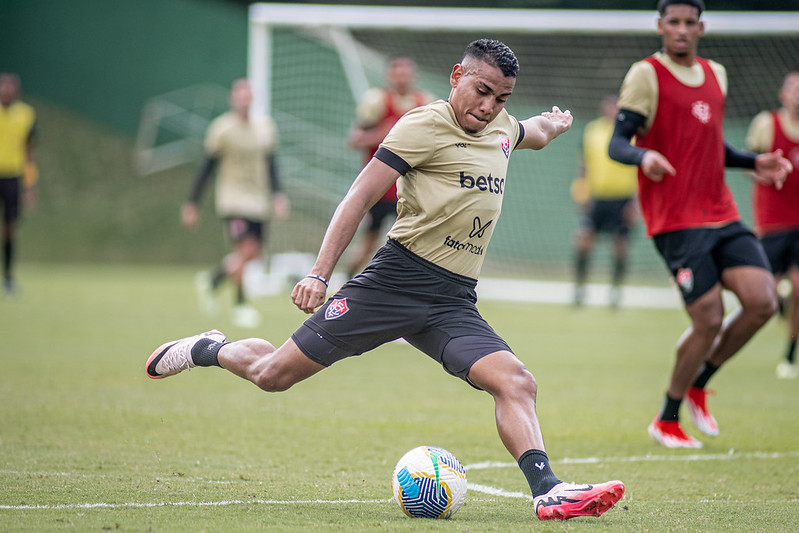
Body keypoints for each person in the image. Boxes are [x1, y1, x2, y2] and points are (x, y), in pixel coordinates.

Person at [147, 39, 625, 521]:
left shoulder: (501, 125)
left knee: (517, 382)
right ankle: (210, 348)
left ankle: (548, 491)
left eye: (500, 98)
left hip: (452, 300)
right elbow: (356, 198)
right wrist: (319, 272)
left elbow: (532, 130)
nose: (488, 106)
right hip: (394, 283)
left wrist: (555, 123)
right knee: (273, 375)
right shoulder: (421, 125)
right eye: (482, 91)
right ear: (457, 75)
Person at [608, 0, 793, 448]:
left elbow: (711, 146)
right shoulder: (646, 75)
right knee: (707, 318)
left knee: (763, 301)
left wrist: (756, 161)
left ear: (701, 27)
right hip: (675, 221)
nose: (682, 29)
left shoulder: (717, 74)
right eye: (673, 22)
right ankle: (667, 419)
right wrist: (643, 154)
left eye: (690, 22)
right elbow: (618, 142)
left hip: (723, 212)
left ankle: (699, 382)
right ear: (661, 26)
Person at [181, 78, 289, 329]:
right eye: (240, 95)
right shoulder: (222, 129)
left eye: (248, 95)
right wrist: (192, 203)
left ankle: (213, 280)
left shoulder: (265, 128)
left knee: (255, 253)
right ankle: (240, 305)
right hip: (233, 200)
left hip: (258, 201)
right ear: (233, 99)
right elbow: (207, 168)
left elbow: (272, 164)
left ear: (253, 99)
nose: (244, 100)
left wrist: (278, 195)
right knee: (245, 250)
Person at [345, 56, 432, 279]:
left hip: (412, 190)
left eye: (406, 73)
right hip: (381, 190)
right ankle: (345, 281)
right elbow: (355, 140)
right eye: (398, 72)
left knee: (416, 245)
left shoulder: (424, 104)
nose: (402, 78)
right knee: (369, 243)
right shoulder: (377, 102)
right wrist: (380, 135)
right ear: (390, 75)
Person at [745, 71, 799, 380]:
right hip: (772, 222)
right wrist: (766, 173)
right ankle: (780, 299)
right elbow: (748, 166)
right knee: (765, 292)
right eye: (793, 88)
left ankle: (790, 355)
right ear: (783, 94)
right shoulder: (767, 124)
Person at [571, 95, 638, 307]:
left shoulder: (630, 133)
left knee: (620, 245)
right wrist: (582, 192)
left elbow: (640, 169)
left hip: (623, 199)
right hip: (596, 198)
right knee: (583, 241)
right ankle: (579, 289)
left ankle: (616, 292)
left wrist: (635, 203)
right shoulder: (592, 130)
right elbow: (583, 164)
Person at [0, 73, 37, 296]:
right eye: (3, 87)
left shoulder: (26, 114)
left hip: (13, 177)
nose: (6, 91)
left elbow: (29, 151)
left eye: (10, 88)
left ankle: (8, 279)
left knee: (9, 229)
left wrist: (30, 184)